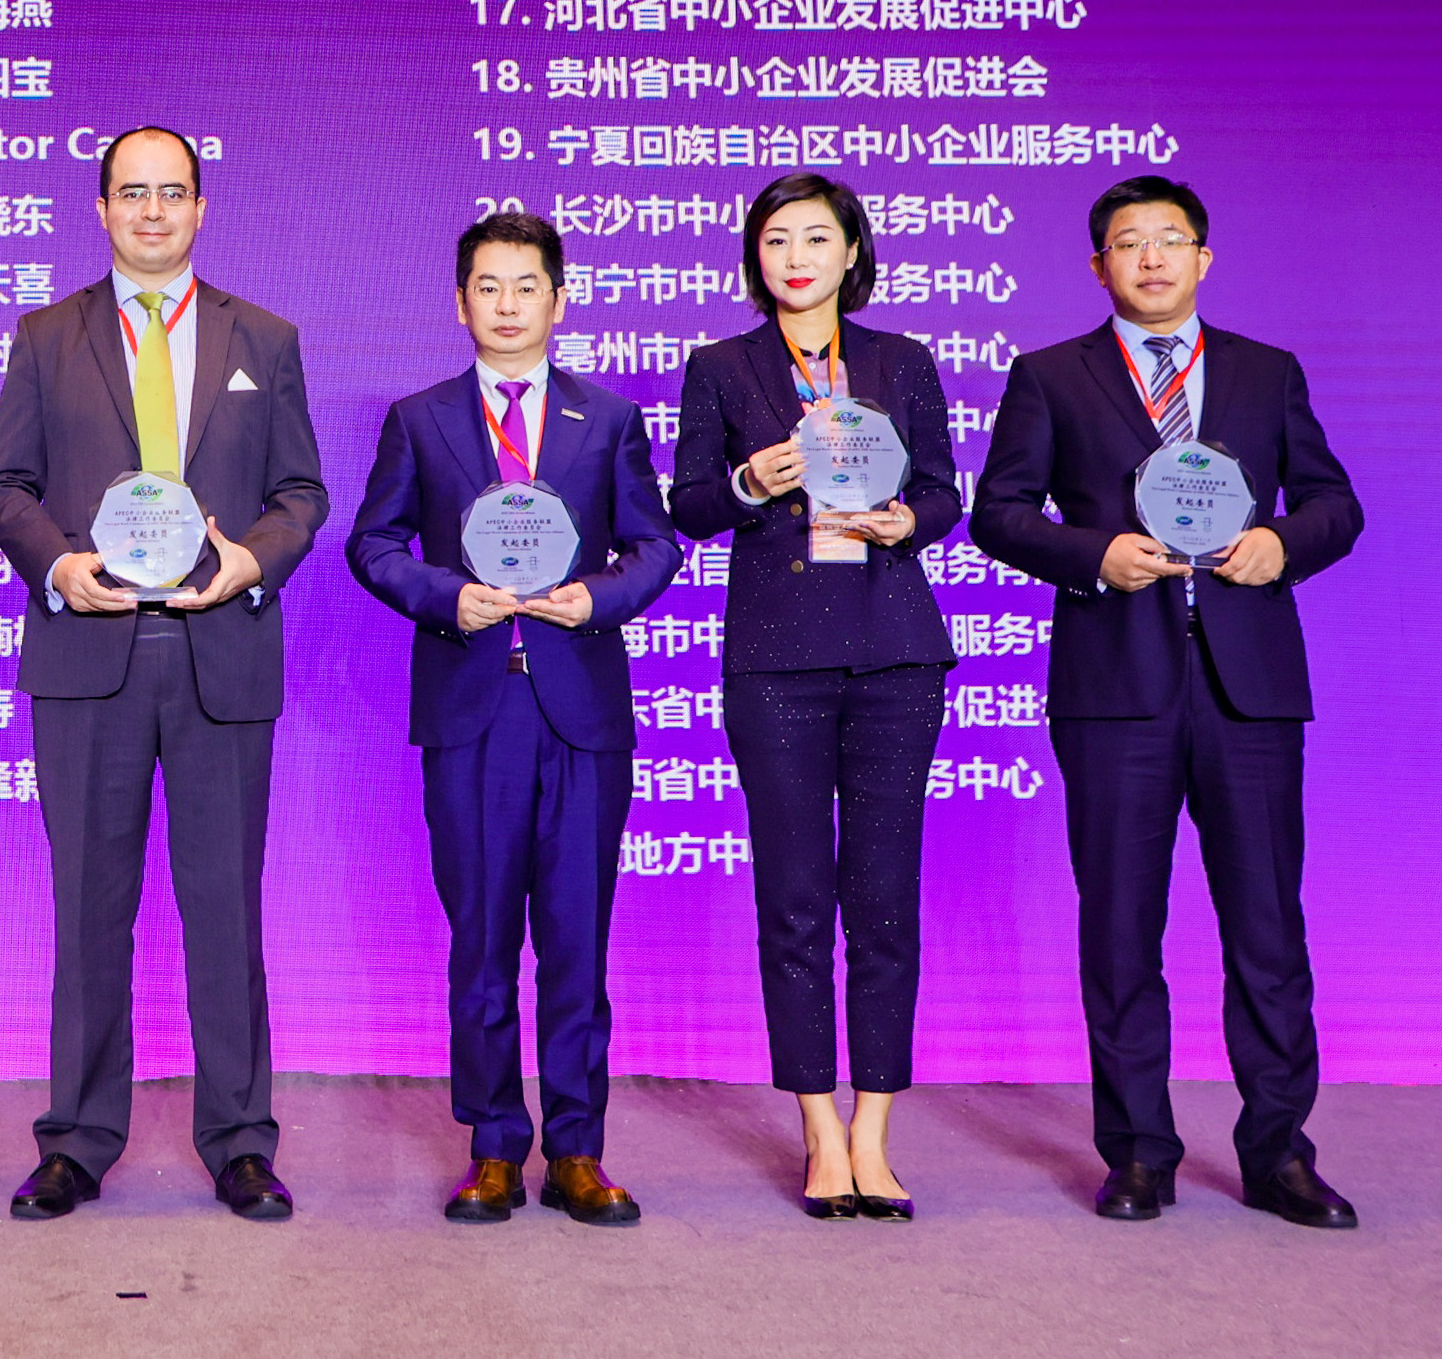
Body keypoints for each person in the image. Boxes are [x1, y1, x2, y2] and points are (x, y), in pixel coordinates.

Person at [971, 176, 1363, 1229]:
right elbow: (998, 512)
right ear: (1097, 264)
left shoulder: (1264, 370)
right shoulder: (1050, 375)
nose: (1150, 258)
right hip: (1114, 687)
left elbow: (1335, 503)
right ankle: (1138, 1151)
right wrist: (1092, 553)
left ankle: (1279, 1152)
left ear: (1203, 258)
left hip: (1249, 688)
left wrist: (1283, 541)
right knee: (1119, 929)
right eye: (1128, 243)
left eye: (1170, 239)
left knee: (1267, 929)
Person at [0, 126, 328, 1223]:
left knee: (226, 907)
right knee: (89, 909)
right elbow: (5, 487)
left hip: (219, 652)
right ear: (100, 208)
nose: (151, 211)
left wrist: (249, 562)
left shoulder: (262, 338)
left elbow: (301, 494)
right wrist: (60, 564)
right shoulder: (47, 335)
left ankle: (240, 1141)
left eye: (171, 192)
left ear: (200, 207)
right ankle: (77, 1141)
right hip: (89, 656)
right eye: (131, 193)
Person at [347, 211, 681, 1225]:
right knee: (482, 945)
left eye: (525, 286)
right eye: (487, 287)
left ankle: (577, 1148)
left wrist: (597, 599)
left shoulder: (607, 418)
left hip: (580, 712)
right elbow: (374, 544)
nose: (506, 305)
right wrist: (447, 596)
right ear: (461, 303)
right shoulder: (420, 419)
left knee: (577, 942)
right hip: (472, 711)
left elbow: (655, 546)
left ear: (558, 300)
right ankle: (493, 1145)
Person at [671, 174, 961, 1221]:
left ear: (851, 252)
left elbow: (944, 490)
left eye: (815, 238)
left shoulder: (900, 360)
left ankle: (874, 1133)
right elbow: (688, 503)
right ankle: (818, 1131)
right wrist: (753, 481)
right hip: (777, 661)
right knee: (793, 901)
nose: (795, 256)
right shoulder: (722, 367)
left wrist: (907, 521)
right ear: (755, 258)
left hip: (893, 655)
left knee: (883, 899)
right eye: (775, 240)